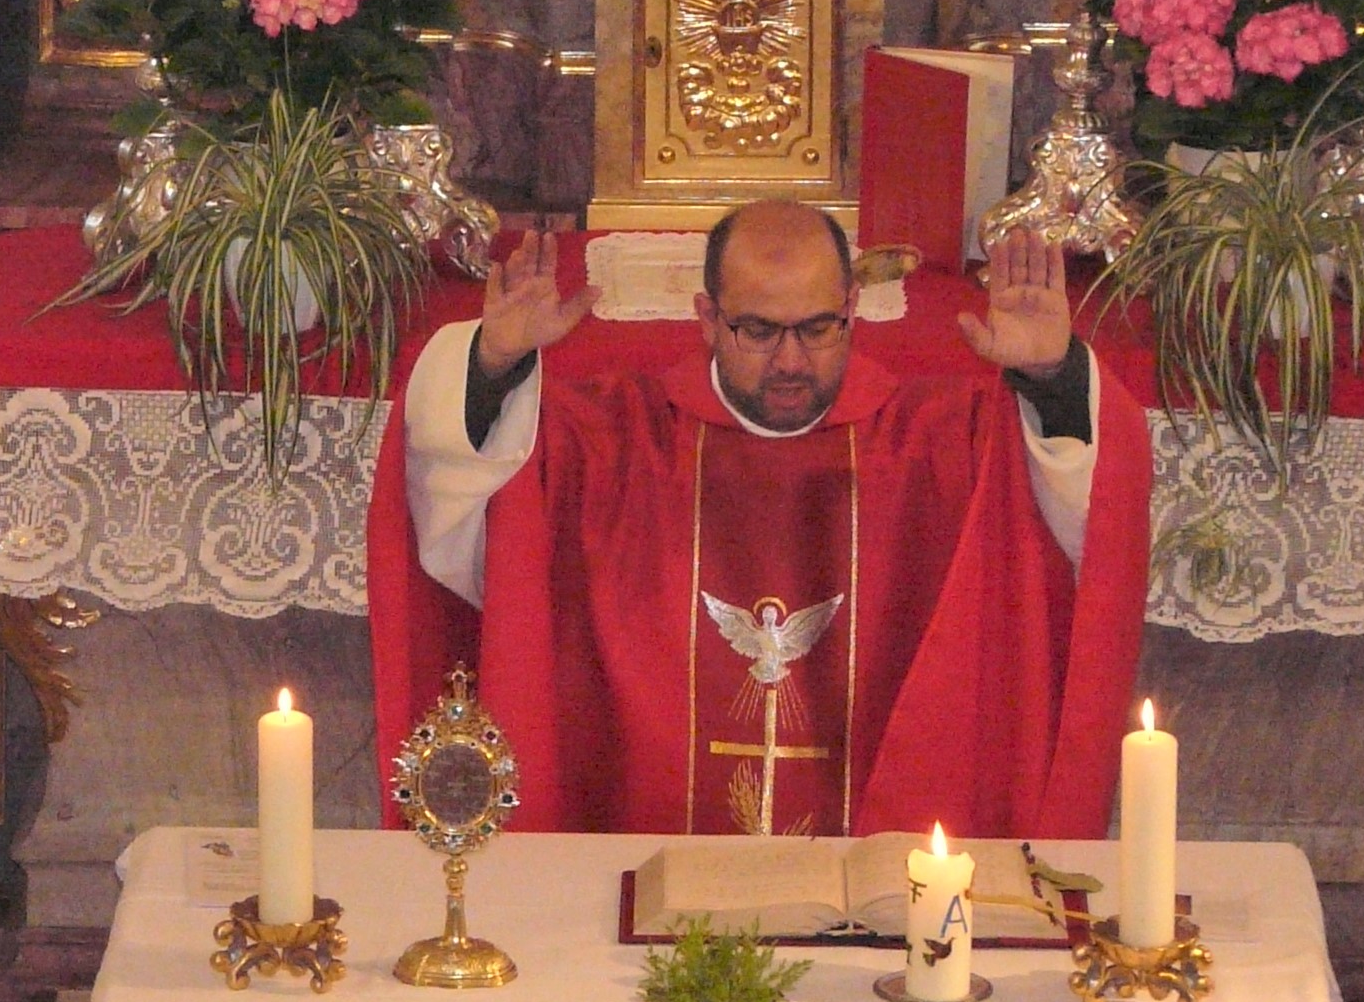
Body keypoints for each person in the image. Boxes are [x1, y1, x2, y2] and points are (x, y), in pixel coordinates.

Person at [381, 206, 1151, 840]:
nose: (791, 361)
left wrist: (1052, 378)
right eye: (758, 331)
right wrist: (493, 368)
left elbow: (1081, 509)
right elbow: (470, 488)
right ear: (707, 318)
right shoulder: (616, 444)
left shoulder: (931, 446)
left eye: (818, 328)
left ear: (853, 309)